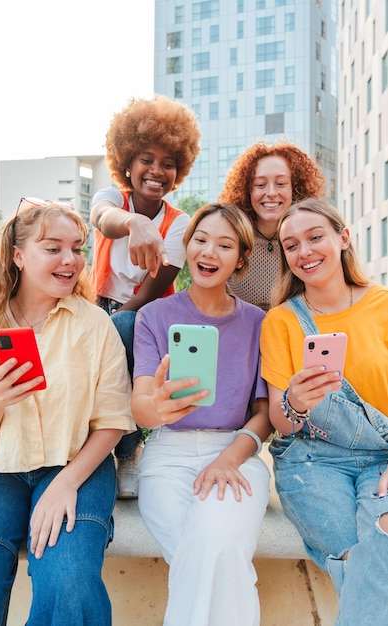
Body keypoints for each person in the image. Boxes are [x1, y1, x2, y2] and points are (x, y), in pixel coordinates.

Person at [0, 198, 135, 625]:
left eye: (78, 248)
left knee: (69, 583)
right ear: (18, 256)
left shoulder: (95, 324)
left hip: (77, 465)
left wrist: (65, 484)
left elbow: (113, 421)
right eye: (53, 248)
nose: (70, 260)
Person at [131, 203, 272, 626]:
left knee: (216, 546)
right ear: (187, 246)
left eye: (225, 245)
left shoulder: (258, 323)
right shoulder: (152, 316)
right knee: (219, 558)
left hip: (235, 453)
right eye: (201, 240)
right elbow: (139, 407)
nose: (209, 252)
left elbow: (264, 413)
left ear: (241, 260)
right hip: (166, 456)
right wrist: (157, 408)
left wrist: (228, 458)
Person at [260, 198, 388, 625]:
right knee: (359, 559)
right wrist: (294, 402)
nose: (304, 252)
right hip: (313, 461)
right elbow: (281, 424)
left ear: (343, 238)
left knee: (379, 549)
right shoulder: (280, 321)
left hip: (383, 455)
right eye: (291, 245)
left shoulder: (382, 305)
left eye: (315, 237)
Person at [89, 95, 201, 498]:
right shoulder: (111, 198)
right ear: (127, 163)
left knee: (124, 326)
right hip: (97, 305)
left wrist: (111, 321)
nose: (156, 171)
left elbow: (153, 291)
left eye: (168, 163)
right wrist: (136, 221)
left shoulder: (180, 222)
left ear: (178, 171)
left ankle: (128, 452)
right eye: (146, 160)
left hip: (146, 316)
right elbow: (102, 220)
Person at [218, 141, 326, 311]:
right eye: (260, 185)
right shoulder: (230, 238)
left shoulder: (312, 241)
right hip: (241, 334)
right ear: (247, 190)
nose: (271, 193)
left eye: (281, 183)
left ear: (295, 189)